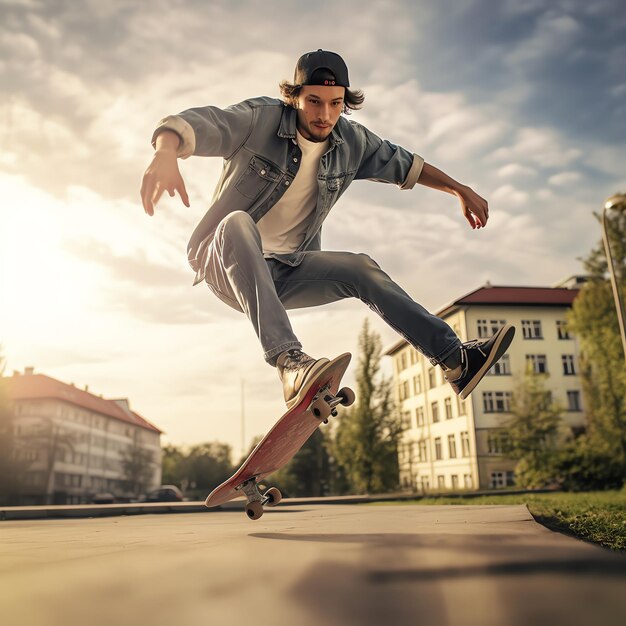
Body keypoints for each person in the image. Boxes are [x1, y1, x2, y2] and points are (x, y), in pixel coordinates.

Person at [140, 49, 515, 409]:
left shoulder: (353, 142)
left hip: (285, 272)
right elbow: (196, 122)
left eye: (335, 103)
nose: (325, 115)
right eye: (314, 102)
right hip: (224, 263)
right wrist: (164, 151)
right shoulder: (258, 119)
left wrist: (459, 189)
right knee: (238, 222)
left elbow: (409, 166)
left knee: (361, 268)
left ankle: (455, 360)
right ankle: (290, 364)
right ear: (294, 98)